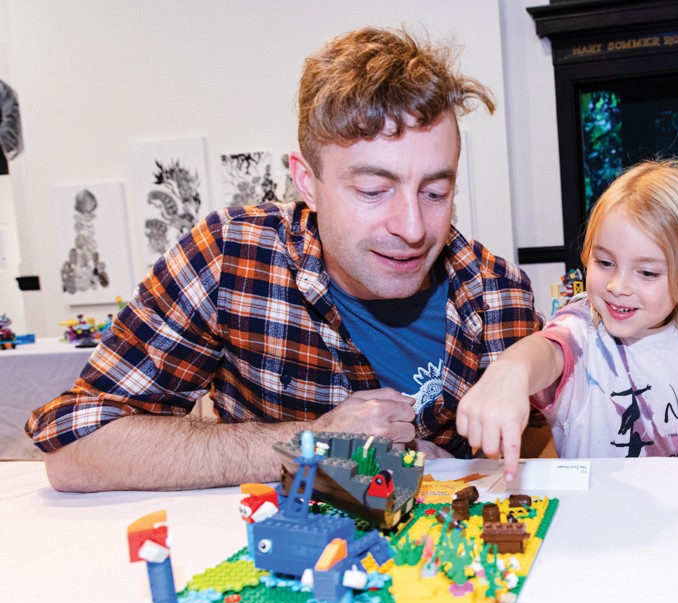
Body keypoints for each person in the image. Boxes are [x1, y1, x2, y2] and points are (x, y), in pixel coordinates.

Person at [27, 27, 541, 492]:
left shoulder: (499, 296)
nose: (411, 228)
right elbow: (75, 452)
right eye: (372, 189)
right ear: (305, 181)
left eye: (435, 192)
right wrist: (311, 443)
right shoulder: (232, 257)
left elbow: (543, 462)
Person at [456, 160, 678, 480]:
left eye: (646, 272)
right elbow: (547, 352)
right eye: (604, 262)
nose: (617, 287)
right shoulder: (582, 332)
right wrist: (511, 370)